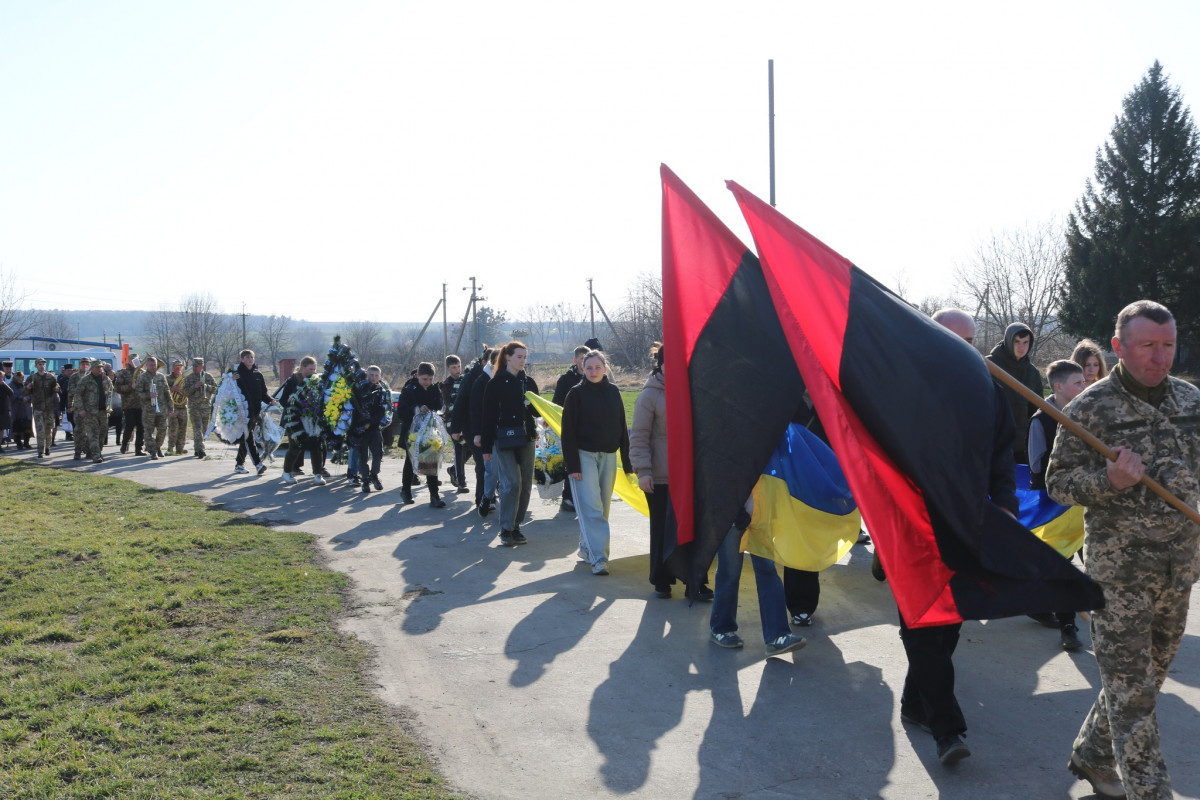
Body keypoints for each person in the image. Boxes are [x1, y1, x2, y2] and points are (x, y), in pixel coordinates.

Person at [1047, 300, 1200, 800]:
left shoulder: (1190, 401)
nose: (1161, 357)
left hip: (1180, 567)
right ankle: (1149, 792)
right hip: (1121, 573)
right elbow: (1058, 483)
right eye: (1148, 345)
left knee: (1147, 677)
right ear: (1118, 347)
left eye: (1169, 345)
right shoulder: (1089, 408)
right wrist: (1108, 480)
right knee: (1133, 696)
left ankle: (1092, 755)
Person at [899, 308, 1019, 766]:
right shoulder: (899, 389)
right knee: (921, 624)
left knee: (947, 623)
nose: (963, 347)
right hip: (910, 525)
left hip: (967, 524)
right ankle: (948, 729)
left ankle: (916, 705)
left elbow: (1002, 453)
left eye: (969, 339)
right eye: (952, 338)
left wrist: (1005, 502)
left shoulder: (989, 389)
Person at [1026, 359, 1088, 651]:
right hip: (1055, 507)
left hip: (1085, 502)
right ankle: (1068, 626)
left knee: (1079, 561)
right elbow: (1037, 466)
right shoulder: (1042, 420)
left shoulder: (1088, 414)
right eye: (1078, 383)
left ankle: (1038, 602)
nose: (1084, 387)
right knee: (1062, 563)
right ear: (1059, 387)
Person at [560, 350, 634, 575]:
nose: (593, 371)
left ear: (605, 369)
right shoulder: (576, 394)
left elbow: (622, 427)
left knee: (603, 507)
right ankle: (599, 558)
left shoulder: (613, 392)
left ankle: (586, 547)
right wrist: (573, 466)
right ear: (583, 368)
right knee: (591, 507)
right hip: (584, 456)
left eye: (597, 367)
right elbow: (568, 432)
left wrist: (627, 463)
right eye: (588, 367)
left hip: (609, 456)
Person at [481, 341, 540, 546]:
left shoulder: (528, 382)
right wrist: (486, 448)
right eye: (519, 357)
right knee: (512, 483)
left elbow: (537, 412)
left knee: (524, 485)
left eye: (525, 357)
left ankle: (516, 526)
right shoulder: (495, 383)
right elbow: (487, 417)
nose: (523, 361)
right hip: (503, 439)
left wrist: (530, 403)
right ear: (508, 357)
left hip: (527, 437)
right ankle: (506, 528)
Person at [986, 321, 1043, 464]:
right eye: (1017, 341)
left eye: (1025, 342)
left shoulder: (1032, 373)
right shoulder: (989, 365)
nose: (1021, 347)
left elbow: (1037, 410)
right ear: (1008, 341)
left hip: (1022, 446)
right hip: (994, 442)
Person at [398, 362, 444, 507]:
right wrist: (417, 409)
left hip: (430, 431)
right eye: (425, 379)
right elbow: (401, 412)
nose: (428, 382)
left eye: (430, 379)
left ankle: (434, 496)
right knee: (411, 461)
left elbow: (439, 404)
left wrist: (436, 407)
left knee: (431, 460)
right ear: (417, 376)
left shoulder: (434, 388)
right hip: (412, 432)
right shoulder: (408, 389)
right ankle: (406, 491)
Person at [552, 345, 590, 514]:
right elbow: (555, 404)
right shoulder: (566, 380)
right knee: (572, 464)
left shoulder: (593, 377)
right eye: (581, 359)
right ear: (575, 360)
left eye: (586, 359)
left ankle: (582, 497)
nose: (583, 363)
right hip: (570, 429)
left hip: (588, 430)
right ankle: (568, 497)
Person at [281, 356, 327, 485]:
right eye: (310, 369)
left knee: (316, 446)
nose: (313, 371)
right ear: (302, 368)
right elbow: (283, 400)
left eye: (314, 369)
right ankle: (287, 472)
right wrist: (290, 400)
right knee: (296, 446)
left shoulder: (317, 381)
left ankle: (318, 474)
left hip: (312, 419)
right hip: (294, 419)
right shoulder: (292, 381)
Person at [230, 350, 275, 475]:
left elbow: (263, 393)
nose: (250, 359)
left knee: (246, 438)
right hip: (242, 413)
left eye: (252, 357)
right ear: (242, 359)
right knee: (249, 438)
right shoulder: (236, 374)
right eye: (247, 357)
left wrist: (271, 400)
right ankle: (258, 464)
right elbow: (226, 390)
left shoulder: (258, 375)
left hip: (255, 412)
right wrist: (231, 379)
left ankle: (239, 464)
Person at [468, 348, 500, 516]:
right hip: (486, 432)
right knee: (489, 469)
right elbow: (475, 409)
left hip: (504, 432)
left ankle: (496, 498)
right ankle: (485, 498)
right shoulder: (481, 381)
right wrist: (477, 433)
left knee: (504, 470)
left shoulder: (511, 378)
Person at [351, 365, 391, 494]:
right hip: (360, 428)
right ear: (366, 375)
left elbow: (381, 411)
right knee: (362, 456)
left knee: (378, 453)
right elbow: (354, 409)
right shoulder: (359, 389)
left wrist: (370, 422)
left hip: (374, 428)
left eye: (376, 375)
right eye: (370, 375)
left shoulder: (381, 392)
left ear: (379, 377)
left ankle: (374, 475)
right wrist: (361, 424)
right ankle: (365, 480)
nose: (373, 378)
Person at [72, 360, 113, 464]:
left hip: (103, 411)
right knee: (93, 433)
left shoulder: (106, 379)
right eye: (97, 367)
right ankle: (96, 455)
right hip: (90, 412)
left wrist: (109, 404)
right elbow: (77, 395)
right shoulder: (85, 380)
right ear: (92, 368)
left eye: (101, 367)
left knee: (102, 433)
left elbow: (111, 392)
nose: (100, 369)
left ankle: (96, 452)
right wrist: (81, 409)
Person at [440, 354, 469, 493]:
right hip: (453, 421)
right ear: (448, 368)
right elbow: (448, 404)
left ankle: (453, 470)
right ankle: (461, 481)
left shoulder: (466, 380)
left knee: (469, 448)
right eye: (454, 367)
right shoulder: (446, 384)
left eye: (459, 366)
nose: (457, 370)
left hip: (467, 420)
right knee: (458, 449)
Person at [136, 356, 173, 460]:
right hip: (148, 410)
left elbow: (167, 393)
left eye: (155, 365)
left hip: (161, 409)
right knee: (148, 432)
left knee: (162, 430)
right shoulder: (142, 377)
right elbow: (138, 393)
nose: (153, 367)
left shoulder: (161, 377)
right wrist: (149, 395)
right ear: (147, 365)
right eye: (151, 365)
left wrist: (171, 408)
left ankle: (157, 447)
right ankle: (153, 451)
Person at [181, 358, 217, 458]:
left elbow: (216, 389)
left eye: (197, 366)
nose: (194, 368)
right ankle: (201, 450)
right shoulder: (188, 378)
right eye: (193, 366)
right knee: (198, 428)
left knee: (204, 430)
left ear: (202, 366)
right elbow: (184, 392)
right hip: (194, 407)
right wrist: (194, 386)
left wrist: (206, 386)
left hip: (206, 406)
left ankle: (197, 449)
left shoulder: (208, 376)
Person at [112, 357, 145, 455]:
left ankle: (139, 449)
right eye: (133, 360)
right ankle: (124, 444)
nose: (136, 362)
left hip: (141, 404)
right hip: (129, 405)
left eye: (137, 360)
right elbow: (117, 388)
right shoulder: (123, 373)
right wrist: (130, 387)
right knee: (129, 426)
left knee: (141, 427)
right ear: (129, 362)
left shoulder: (142, 372)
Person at [28, 358, 58, 457]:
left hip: (49, 408)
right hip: (38, 408)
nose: (41, 366)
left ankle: (47, 447)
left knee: (48, 430)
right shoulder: (32, 377)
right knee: (39, 430)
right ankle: (40, 450)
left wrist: (57, 389)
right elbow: (24, 392)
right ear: (36, 365)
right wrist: (28, 388)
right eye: (39, 364)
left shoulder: (51, 377)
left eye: (43, 364)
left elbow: (58, 388)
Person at [166, 359, 189, 454]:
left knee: (183, 429)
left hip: (183, 406)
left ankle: (180, 448)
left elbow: (189, 391)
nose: (178, 368)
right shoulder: (167, 379)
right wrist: (171, 389)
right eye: (176, 367)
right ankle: (170, 448)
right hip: (173, 407)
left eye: (180, 366)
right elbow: (163, 391)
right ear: (172, 368)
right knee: (173, 429)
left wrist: (180, 390)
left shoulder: (186, 379)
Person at [10, 372, 32, 450]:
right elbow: (11, 395)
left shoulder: (25, 385)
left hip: (26, 409)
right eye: (18, 377)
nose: (20, 379)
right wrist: (20, 398)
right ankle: (19, 443)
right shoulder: (11, 385)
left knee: (27, 427)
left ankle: (26, 443)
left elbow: (30, 394)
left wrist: (28, 398)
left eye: (22, 377)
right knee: (17, 428)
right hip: (16, 409)